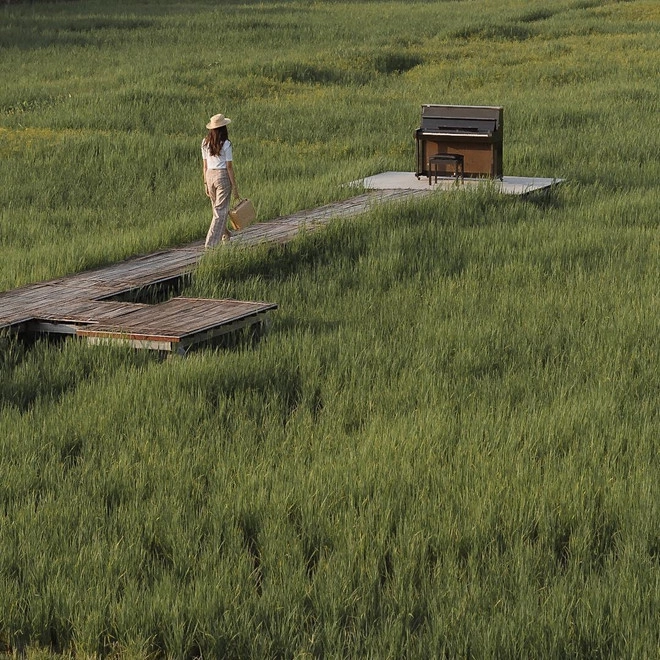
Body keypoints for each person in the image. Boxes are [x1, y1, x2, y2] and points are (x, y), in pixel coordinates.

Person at [202, 113, 239, 248]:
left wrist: (205, 182)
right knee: (220, 211)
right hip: (222, 176)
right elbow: (229, 167)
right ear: (224, 128)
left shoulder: (205, 142)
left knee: (216, 209)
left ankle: (226, 235)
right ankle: (210, 245)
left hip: (209, 175)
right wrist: (234, 186)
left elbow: (205, 165)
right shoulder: (226, 144)